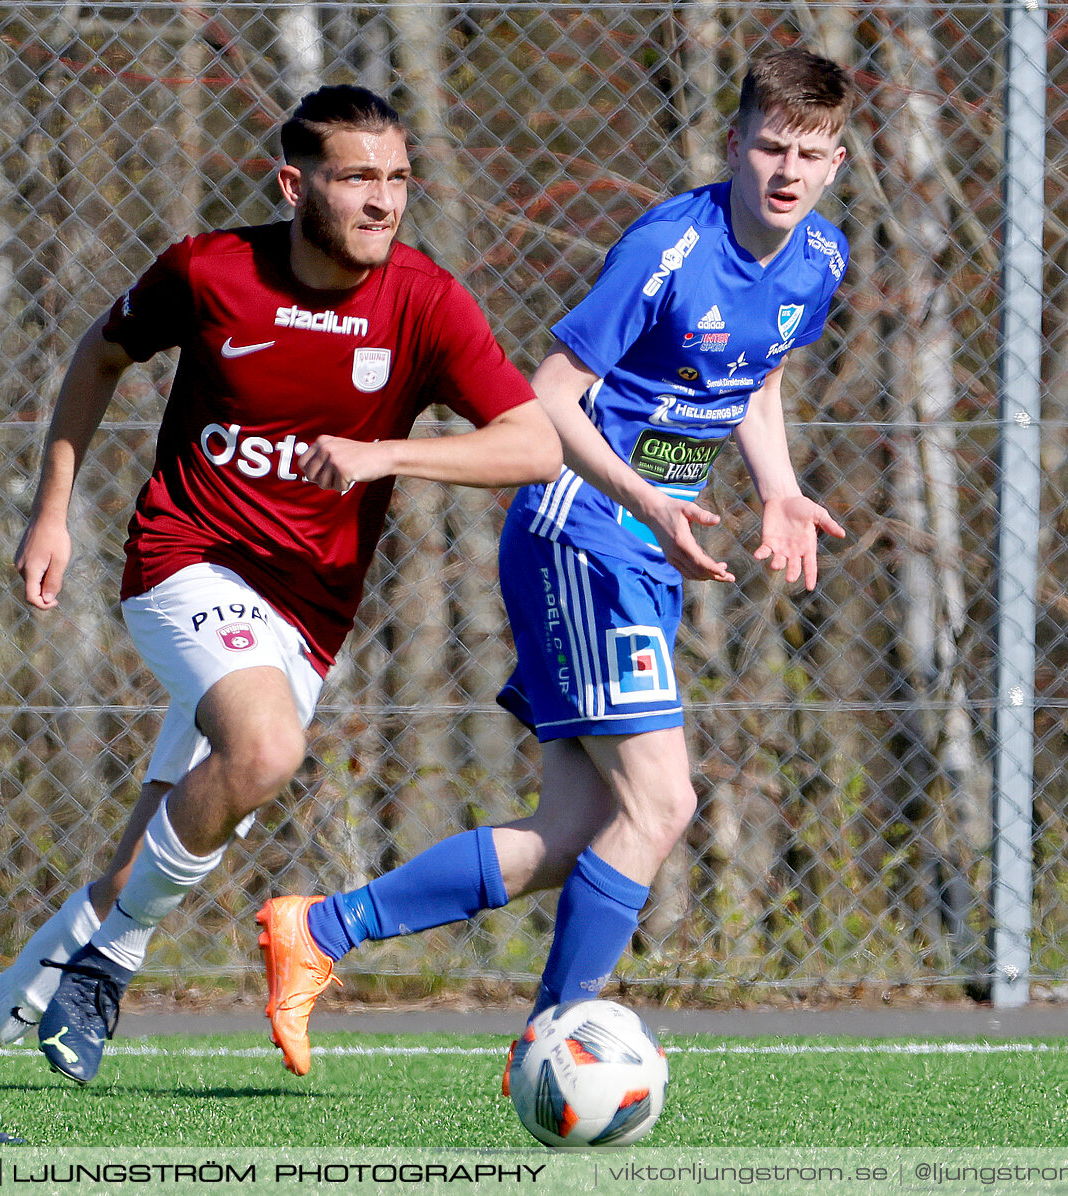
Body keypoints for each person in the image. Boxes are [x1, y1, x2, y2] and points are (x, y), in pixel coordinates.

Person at [0, 84, 560, 1143]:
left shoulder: (426, 302)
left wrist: (390, 452)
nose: (382, 202)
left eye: (395, 179)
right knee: (265, 747)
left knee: (141, 858)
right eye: (355, 179)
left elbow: (534, 443)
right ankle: (114, 960)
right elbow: (99, 355)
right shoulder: (208, 271)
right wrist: (52, 510)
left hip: (308, 614)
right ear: (295, 184)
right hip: (185, 562)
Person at [254, 47, 852, 1084]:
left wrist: (780, 487)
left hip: (640, 538)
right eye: (768, 147)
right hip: (582, 525)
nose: (786, 171)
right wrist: (648, 500)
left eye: (809, 153)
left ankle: (323, 928)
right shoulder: (669, 248)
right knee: (662, 806)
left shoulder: (820, 259)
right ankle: (552, 1037)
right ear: (733, 144)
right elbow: (552, 394)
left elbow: (756, 376)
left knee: (579, 829)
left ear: (836, 162)